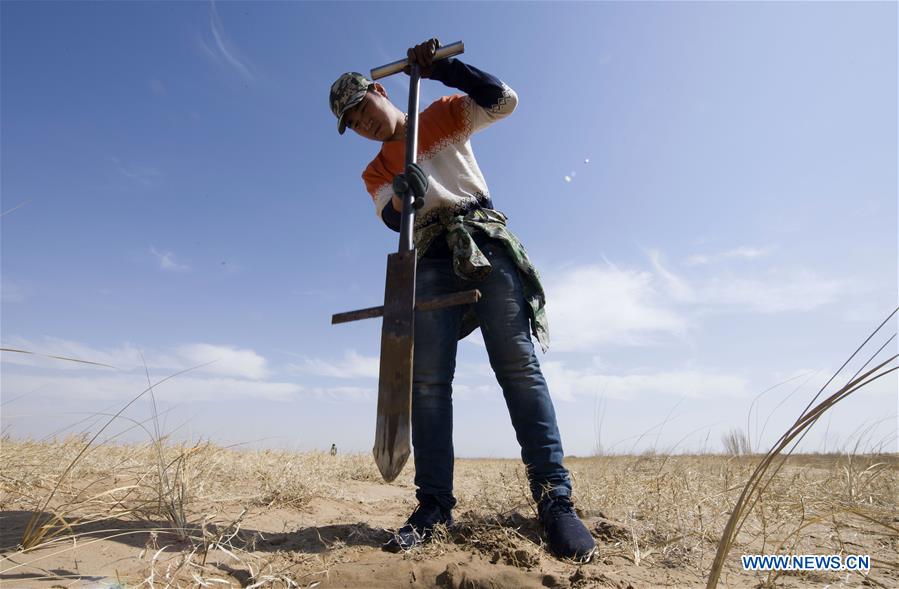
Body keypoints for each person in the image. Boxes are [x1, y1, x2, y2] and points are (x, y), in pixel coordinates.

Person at [329, 39, 596, 562]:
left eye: (362, 108)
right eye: (352, 123)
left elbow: (504, 101)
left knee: (517, 364)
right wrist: (406, 195)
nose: (362, 123)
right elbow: (390, 216)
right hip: (427, 258)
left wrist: (446, 69)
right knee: (427, 383)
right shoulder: (376, 170)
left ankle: (554, 500)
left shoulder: (444, 113)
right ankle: (433, 506)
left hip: (482, 241)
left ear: (381, 91)